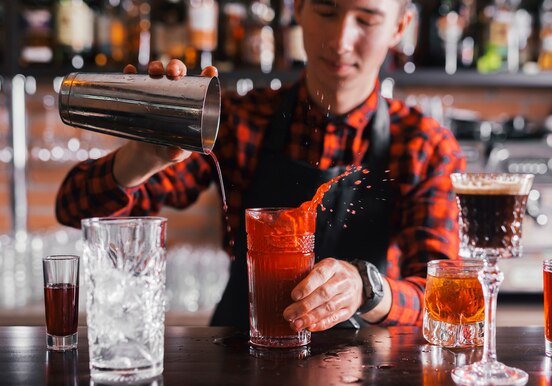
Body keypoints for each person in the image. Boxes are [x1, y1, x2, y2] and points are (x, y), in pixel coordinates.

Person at [55, 0, 465, 331]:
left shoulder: (424, 145)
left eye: (367, 19)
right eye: (326, 11)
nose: (341, 40)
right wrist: (143, 156)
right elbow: (73, 210)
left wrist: (366, 287)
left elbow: (439, 293)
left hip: (368, 378)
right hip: (240, 361)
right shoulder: (237, 121)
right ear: (298, 10)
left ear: (399, 26)